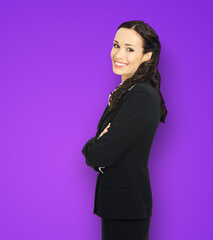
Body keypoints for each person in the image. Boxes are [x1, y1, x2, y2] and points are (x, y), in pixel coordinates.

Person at [81, 20, 168, 240]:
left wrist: (92, 147)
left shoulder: (139, 96)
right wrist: (100, 145)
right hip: (119, 205)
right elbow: (105, 150)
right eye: (116, 45)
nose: (119, 54)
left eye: (130, 49)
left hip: (126, 207)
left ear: (146, 56)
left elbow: (99, 153)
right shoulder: (127, 91)